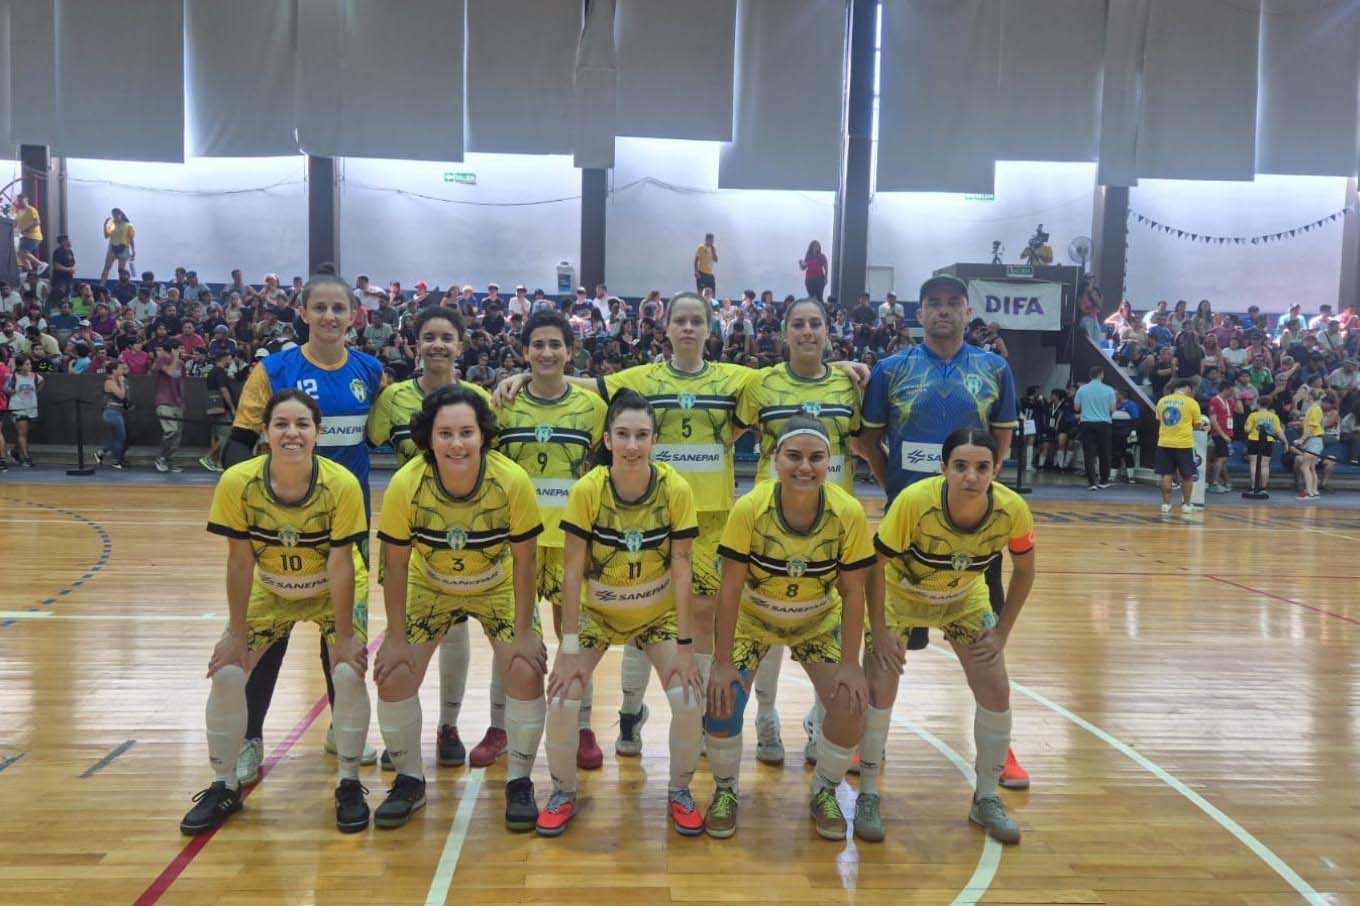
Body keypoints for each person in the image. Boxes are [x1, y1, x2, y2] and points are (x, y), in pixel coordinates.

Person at [856, 273, 1029, 789]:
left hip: (973, 534)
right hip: (906, 527)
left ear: (968, 311)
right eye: (933, 304)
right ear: (920, 312)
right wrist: (895, 490)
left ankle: (1003, 747)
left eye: (954, 303)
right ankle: (869, 738)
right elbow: (868, 441)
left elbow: (1001, 442)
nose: (944, 312)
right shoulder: (892, 370)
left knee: (984, 640)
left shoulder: (994, 368)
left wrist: (979, 488)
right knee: (883, 645)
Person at [179, 389, 373, 836]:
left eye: (302, 425)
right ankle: (223, 785)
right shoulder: (238, 482)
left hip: (332, 585)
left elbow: (342, 561)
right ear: (265, 433)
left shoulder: (341, 484)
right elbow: (240, 561)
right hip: (271, 586)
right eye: (281, 424)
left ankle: (348, 782)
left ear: (317, 434)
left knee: (346, 671)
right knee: (228, 671)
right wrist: (237, 633)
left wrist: (344, 636)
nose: (292, 433)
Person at [225, 274, 385, 786]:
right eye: (320, 307)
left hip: (347, 522)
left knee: (340, 629)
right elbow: (237, 442)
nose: (330, 317)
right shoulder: (273, 371)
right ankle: (249, 738)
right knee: (267, 635)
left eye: (339, 308)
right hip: (279, 524)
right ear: (303, 311)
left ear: (354, 314)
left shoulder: (372, 370)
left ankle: (343, 726)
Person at [373, 385, 547, 831]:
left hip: (498, 582)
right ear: (428, 438)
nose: (456, 443)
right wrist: (394, 639)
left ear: (483, 436)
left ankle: (519, 782)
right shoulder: (407, 484)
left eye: (466, 432)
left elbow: (527, 560)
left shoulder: (512, 481)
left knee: (526, 669)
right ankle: (410, 781)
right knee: (393, 675)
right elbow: (394, 566)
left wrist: (526, 631)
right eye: (445, 433)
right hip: (429, 583)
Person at [537, 390, 705, 836]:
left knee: (688, 699)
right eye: (623, 435)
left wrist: (686, 648)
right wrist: (568, 648)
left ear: (654, 440)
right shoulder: (589, 489)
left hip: (656, 617)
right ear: (608, 439)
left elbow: (683, 566)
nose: (633, 445)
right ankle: (562, 792)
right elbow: (572, 572)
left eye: (642, 436)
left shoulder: (675, 489)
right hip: (599, 615)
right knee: (562, 697)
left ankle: (680, 791)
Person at [703, 418, 872, 839]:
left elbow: (854, 593)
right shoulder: (750, 508)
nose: (805, 467)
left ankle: (825, 791)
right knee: (721, 702)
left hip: (816, 623)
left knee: (851, 704)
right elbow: (729, 591)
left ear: (829, 462)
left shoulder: (847, 512)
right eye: (793, 456)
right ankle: (725, 790)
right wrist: (721, 663)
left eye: (816, 458)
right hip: (753, 621)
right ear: (775, 460)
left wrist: (851, 664)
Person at [866, 428, 1035, 844]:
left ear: (996, 469)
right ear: (944, 468)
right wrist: (881, 629)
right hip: (899, 596)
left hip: (963, 597)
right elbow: (874, 566)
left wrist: (1003, 632)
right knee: (880, 690)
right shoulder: (914, 502)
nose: (971, 477)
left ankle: (987, 798)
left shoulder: (1012, 509)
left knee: (996, 692)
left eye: (982, 467)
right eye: (960, 467)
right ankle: (868, 793)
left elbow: (1026, 570)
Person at [366, 306, 502, 770]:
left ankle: (449, 724)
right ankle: (403, 736)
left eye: (447, 337)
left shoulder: (479, 398)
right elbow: (368, 442)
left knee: (456, 627)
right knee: (407, 631)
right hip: (410, 533)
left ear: (461, 346)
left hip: (466, 536)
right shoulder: (392, 401)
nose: (438, 344)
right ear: (415, 345)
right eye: (429, 337)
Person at [735, 298, 863, 765]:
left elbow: (864, 441)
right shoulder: (760, 384)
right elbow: (722, 435)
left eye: (815, 324)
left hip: (831, 523)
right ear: (784, 333)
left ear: (828, 331)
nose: (807, 332)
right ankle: (765, 718)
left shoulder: (851, 384)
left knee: (826, 623)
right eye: (798, 325)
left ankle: (817, 720)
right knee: (764, 621)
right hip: (768, 522)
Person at [496, 310, 607, 775]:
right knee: (509, 634)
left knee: (573, 635)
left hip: (571, 541)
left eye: (554, 345)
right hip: (517, 539)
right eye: (537, 345)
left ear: (570, 351)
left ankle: (581, 726)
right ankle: (501, 726)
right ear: (525, 352)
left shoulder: (594, 410)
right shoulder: (501, 405)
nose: (546, 353)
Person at [1154, 379, 1203, 516]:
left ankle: (1165, 504)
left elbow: (1159, 421)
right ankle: (1186, 505)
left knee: (1166, 474)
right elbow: (1198, 426)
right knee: (1187, 475)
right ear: (1187, 388)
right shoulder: (1192, 403)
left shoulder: (1162, 401)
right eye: (1191, 390)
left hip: (1164, 443)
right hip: (1183, 444)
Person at [1073, 366, 1117, 491]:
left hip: (1087, 423)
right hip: (1104, 423)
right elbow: (1113, 409)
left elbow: (1076, 408)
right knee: (1105, 453)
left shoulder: (1082, 389)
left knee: (1089, 454)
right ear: (1101, 375)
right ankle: (1103, 481)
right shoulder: (1109, 390)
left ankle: (1092, 482)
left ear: (1090, 375)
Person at [201, 349, 237, 472]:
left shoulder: (211, 372)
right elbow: (224, 390)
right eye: (229, 357)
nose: (230, 359)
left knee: (218, 435)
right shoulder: (220, 372)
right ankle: (209, 458)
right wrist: (232, 407)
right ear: (224, 358)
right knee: (225, 436)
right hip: (222, 409)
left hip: (213, 407)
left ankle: (216, 462)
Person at [153, 340, 185, 473]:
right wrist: (175, 357)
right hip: (164, 402)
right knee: (170, 431)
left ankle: (169, 460)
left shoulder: (181, 364)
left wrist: (182, 401)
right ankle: (160, 457)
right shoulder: (161, 359)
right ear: (173, 350)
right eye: (179, 349)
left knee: (177, 435)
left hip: (178, 403)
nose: (182, 351)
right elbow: (170, 373)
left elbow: (181, 382)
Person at [5, 355, 41, 466]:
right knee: (22, 433)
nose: (29, 366)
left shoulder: (35, 376)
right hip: (18, 407)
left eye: (30, 364)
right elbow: (6, 389)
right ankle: (26, 458)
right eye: (27, 364)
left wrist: (36, 392)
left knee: (25, 433)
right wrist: (11, 391)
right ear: (20, 366)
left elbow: (42, 382)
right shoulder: (13, 377)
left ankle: (15, 451)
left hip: (31, 407)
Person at [95, 360, 130, 469]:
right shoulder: (109, 382)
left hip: (118, 412)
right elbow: (121, 396)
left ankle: (101, 453)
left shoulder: (118, 380)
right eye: (120, 368)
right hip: (112, 412)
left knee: (117, 437)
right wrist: (123, 383)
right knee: (120, 436)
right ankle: (116, 461)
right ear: (114, 370)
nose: (122, 371)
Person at [1206, 382, 1238, 494]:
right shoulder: (1215, 400)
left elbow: (1240, 410)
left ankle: (1223, 482)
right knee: (1221, 458)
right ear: (1226, 389)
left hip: (1228, 434)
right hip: (1219, 434)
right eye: (1232, 390)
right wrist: (1222, 434)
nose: (1233, 392)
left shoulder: (1229, 401)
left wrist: (1237, 398)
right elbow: (1213, 420)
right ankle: (1214, 483)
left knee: (1220, 459)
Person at [1296, 389, 1324, 500]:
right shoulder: (1313, 408)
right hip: (1313, 441)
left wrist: (1301, 440)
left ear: (1310, 396)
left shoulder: (1314, 409)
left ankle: (1308, 492)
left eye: (1306, 394)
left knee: (1304, 467)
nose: (1304, 396)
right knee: (1311, 467)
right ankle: (1314, 491)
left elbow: (1312, 427)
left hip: (1314, 441)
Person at [12, 195, 45, 275]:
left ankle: (41, 264)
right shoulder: (19, 211)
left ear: (26, 200)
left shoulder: (31, 209)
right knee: (20, 254)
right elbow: (15, 223)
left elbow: (37, 222)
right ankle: (29, 270)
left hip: (33, 236)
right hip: (24, 236)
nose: (19, 202)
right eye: (19, 201)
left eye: (21, 200)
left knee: (23, 252)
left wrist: (26, 228)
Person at [100, 209, 136, 283]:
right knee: (106, 267)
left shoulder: (128, 225)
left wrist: (133, 250)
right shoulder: (113, 225)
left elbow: (131, 239)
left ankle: (120, 285)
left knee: (121, 270)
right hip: (112, 247)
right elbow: (106, 236)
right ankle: (101, 286)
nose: (115, 217)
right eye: (114, 216)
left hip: (123, 247)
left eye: (116, 215)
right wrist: (105, 225)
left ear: (121, 214)